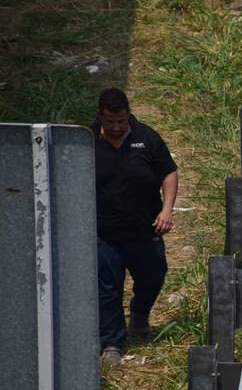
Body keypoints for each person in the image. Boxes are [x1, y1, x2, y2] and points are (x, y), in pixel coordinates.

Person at [92, 88, 178, 365]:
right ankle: (112, 343)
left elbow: (169, 172)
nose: (116, 127)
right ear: (100, 117)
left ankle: (140, 314)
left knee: (153, 276)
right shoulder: (87, 142)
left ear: (128, 114)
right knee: (108, 289)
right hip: (104, 233)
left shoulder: (147, 138)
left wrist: (167, 209)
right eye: (110, 122)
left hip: (145, 229)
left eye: (121, 121)